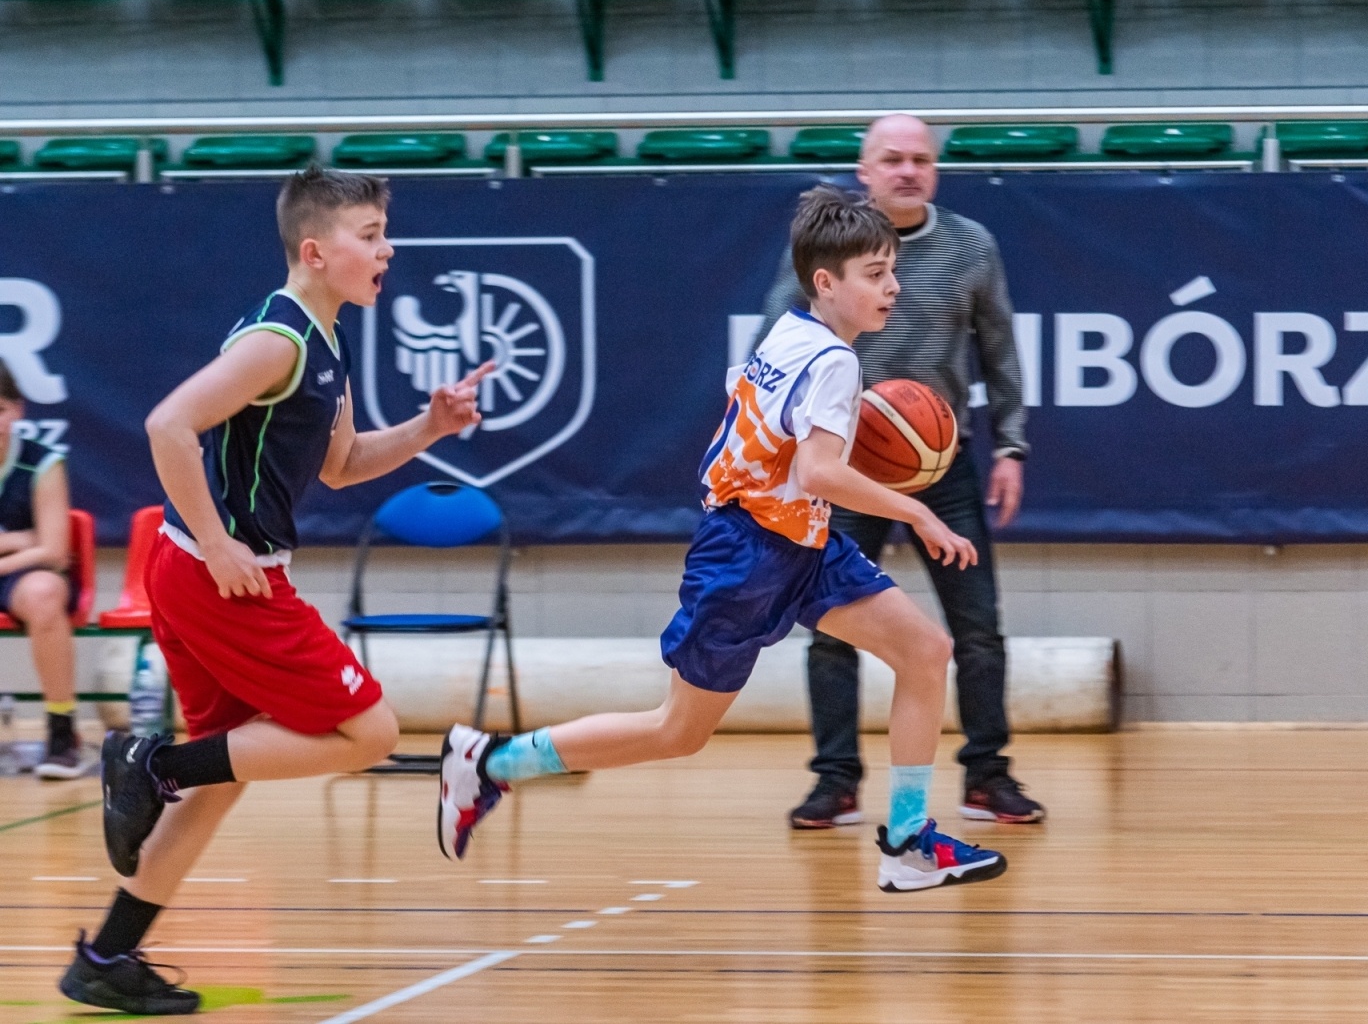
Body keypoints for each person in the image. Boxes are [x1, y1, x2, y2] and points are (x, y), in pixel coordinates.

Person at [438, 185, 1008, 895]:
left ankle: (909, 839)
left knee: (925, 651)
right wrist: (918, 512)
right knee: (677, 731)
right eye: (875, 273)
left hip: (796, 541)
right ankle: (491, 761)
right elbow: (820, 471)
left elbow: (760, 418)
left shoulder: (792, 332)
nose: (892, 287)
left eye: (893, 269)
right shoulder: (833, 361)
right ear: (826, 282)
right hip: (750, 557)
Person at [58, 165, 491, 1015]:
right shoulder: (280, 339)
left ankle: (106, 957)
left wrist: (429, 427)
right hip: (224, 575)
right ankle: (152, 761)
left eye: (383, 232)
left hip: (208, 572)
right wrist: (217, 543)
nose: (387, 248)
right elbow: (167, 425)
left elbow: (343, 463)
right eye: (370, 236)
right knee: (370, 730)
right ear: (315, 250)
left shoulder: (323, 338)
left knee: (221, 784)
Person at [755, 114, 1043, 830]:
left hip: (942, 467)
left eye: (921, 158)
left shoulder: (972, 246)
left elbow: (1001, 354)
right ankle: (835, 781)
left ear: (935, 170)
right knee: (830, 628)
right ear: (865, 170)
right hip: (845, 464)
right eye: (892, 158)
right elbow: (775, 338)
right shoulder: (828, 250)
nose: (908, 170)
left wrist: (1010, 445)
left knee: (976, 625)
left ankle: (986, 776)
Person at [0, 365, 85, 779]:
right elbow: (35, 541)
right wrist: (17, 539)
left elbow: (53, 549)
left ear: (16, 411)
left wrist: (19, 552)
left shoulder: (43, 462)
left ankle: (61, 729)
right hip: (17, 557)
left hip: (23, 576)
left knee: (45, 593)